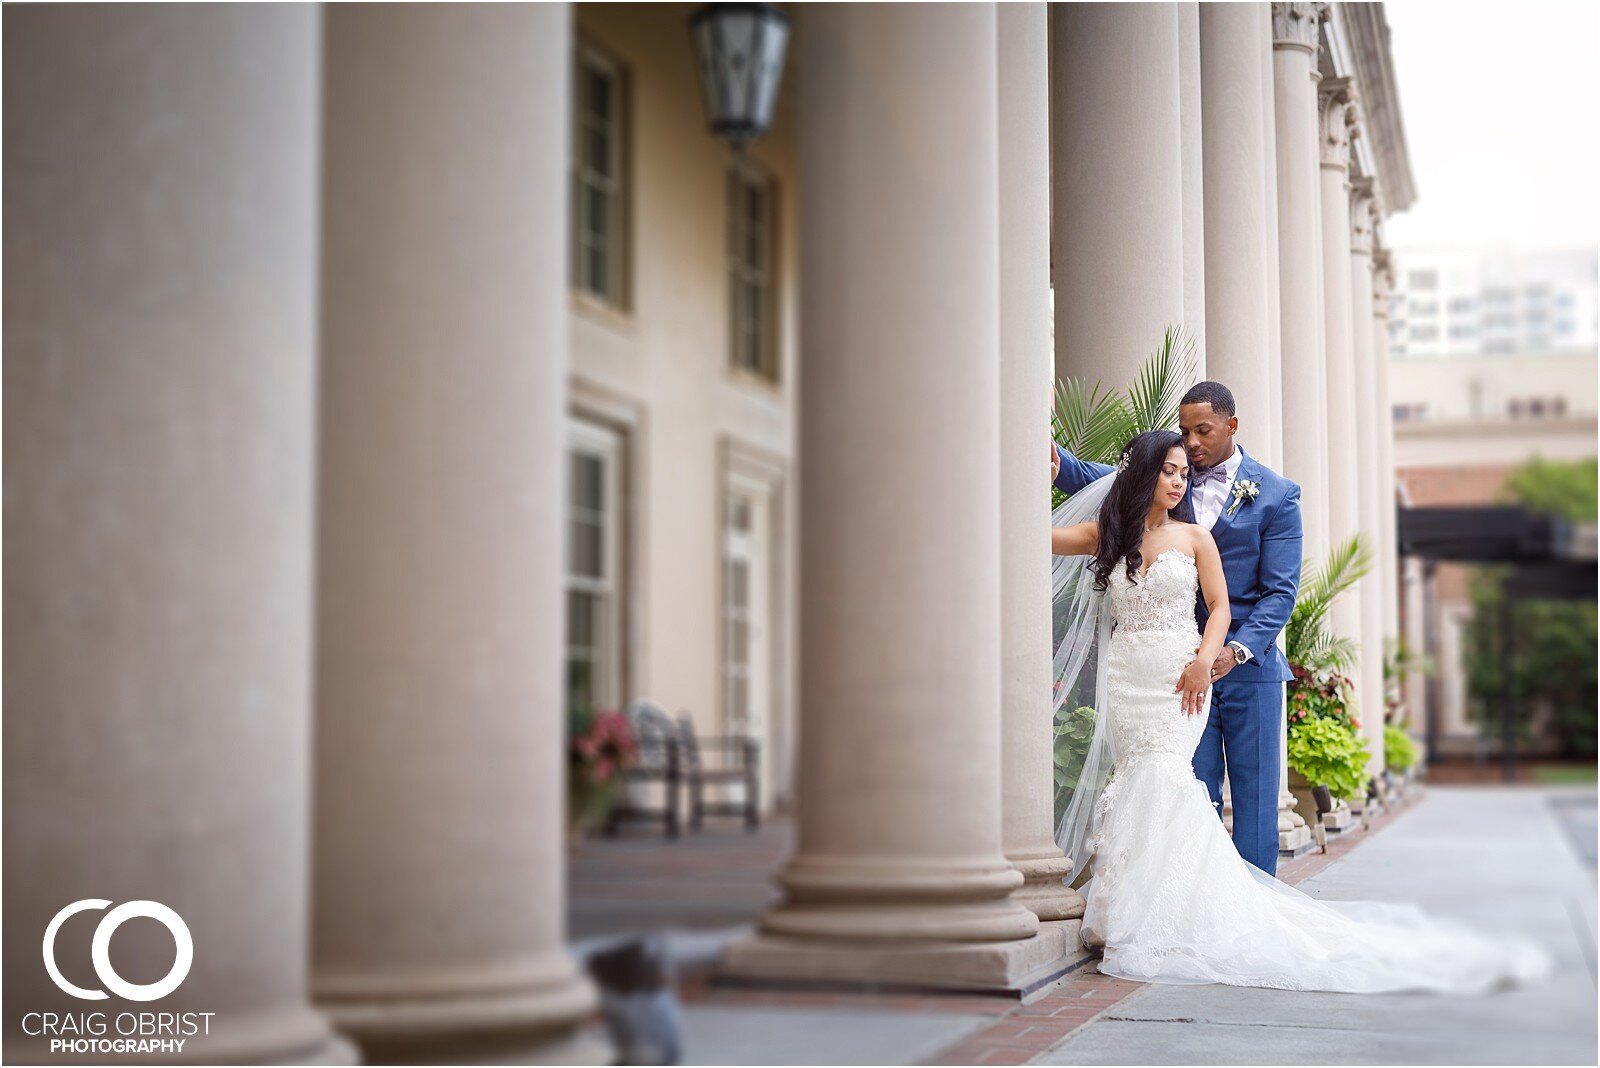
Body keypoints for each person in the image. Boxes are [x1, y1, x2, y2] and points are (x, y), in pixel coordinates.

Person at [1049, 428, 1549, 992]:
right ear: (1142, 474)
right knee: (1137, 778)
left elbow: (1218, 607)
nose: (1178, 480)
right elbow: (1036, 539)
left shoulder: (1195, 538)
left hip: (1180, 677)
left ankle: (1163, 912)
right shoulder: (1109, 535)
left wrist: (1205, 660)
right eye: (1168, 470)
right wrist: (1035, 470)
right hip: (1128, 679)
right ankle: (1125, 906)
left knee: (1166, 779)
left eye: (1183, 472)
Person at [1053, 381, 1297, 874]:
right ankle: (1178, 899)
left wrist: (1230, 653)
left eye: (1202, 431)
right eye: (1184, 433)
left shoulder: (1276, 495)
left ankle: (1253, 906)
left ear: (1231, 425)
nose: (1192, 443)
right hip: (1166, 677)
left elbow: (1280, 593)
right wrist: (1056, 461)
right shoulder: (1165, 485)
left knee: (1253, 801)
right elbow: (1119, 480)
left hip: (1245, 667)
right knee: (1185, 791)